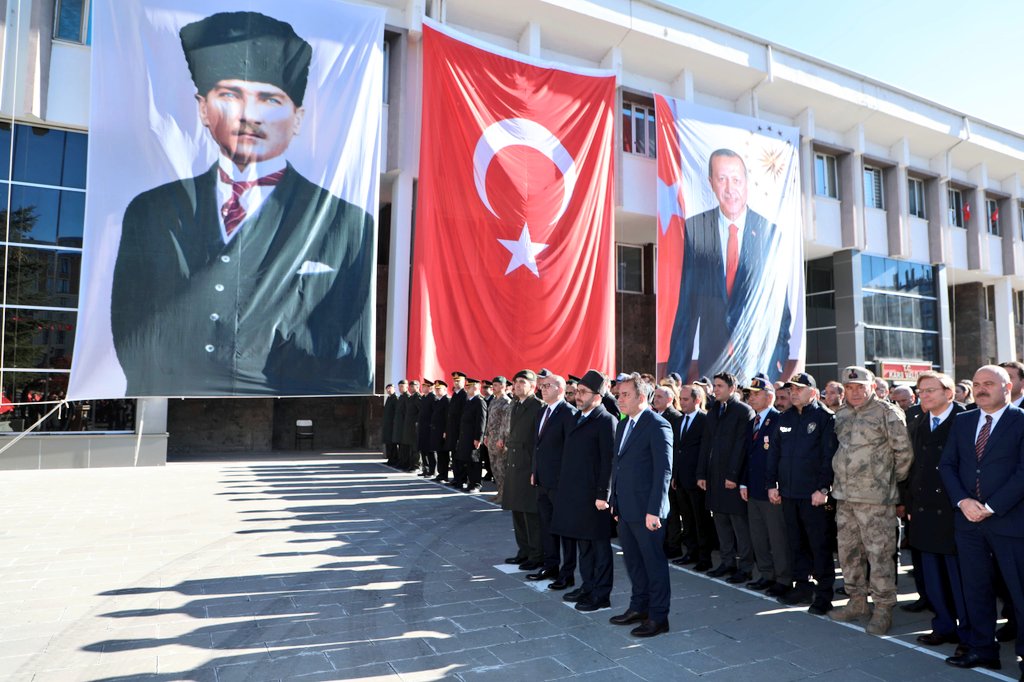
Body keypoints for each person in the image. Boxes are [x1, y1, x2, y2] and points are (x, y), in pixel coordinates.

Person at [111, 11, 373, 397]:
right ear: (203, 108)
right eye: (230, 95)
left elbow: (350, 341)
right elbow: (130, 329)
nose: (249, 116)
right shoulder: (150, 211)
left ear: (297, 118)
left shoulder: (347, 223)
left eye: (270, 98)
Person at [666, 148, 796, 382]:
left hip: (756, 365)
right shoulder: (697, 229)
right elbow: (687, 308)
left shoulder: (769, 233)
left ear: (746, 183)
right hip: (711, 367)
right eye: (722, 179)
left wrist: (777, 364)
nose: (730, 188)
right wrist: (675, 376)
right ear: (711, 182)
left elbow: (780, 310)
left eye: (736, 180)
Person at [939, 365, 1024, 676]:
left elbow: (1022, 473)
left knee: (1019, 592)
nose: (981, 388)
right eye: (976, 383)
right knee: (975, 588)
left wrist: (990, 505)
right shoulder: (962, 422)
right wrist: (963, 501)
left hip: (1011, 523)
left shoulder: (1021, 421)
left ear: (1008, 386)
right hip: (968, 522)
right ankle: (982, 650)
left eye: (989, 383)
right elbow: (947, 465)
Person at [829, 366, 912, 636]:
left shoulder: (888, 413)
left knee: (880, 555)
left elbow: (904, 455)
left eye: (860, 387)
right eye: (850, 387)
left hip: (876, 499)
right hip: (845, 497)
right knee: (849, 553)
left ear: (872, 387)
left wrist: (883, 481)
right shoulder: (841, 414)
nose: (855, 392)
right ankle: (856, 602)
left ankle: (883, 608)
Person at [905, 371, 969, 651]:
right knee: (932, 576)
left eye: (930, 390)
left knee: (961, 579)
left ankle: (968, 634)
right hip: (923, 510)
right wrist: (906, 502)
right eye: (921, 391)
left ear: (949, 393)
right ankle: (943, 625)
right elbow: (912, 466)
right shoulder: (918, 421)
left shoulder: (966, 420)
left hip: (954, 509)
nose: (924, 395)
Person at [766, 372, 838, 612]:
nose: (793, 392)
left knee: (819, 545)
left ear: (814, 393)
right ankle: (803, 588)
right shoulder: (784, 418)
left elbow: (829, 457)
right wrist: (771, 484)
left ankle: (824, 595)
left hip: (813, 496)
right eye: (792, 389)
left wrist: (823, 488)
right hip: (788, 493)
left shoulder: (825, 418)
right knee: (795, 543)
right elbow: (774, 454)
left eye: (799, 389)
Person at [608, 373, 673, 637]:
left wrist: (654, 510)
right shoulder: (624, 424)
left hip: (647, 511)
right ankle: (639, 607)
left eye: (625, 395)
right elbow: (618, 465)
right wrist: (615, 501)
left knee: (653, 564)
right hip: (626, 508)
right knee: (634, 563)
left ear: (641, 397)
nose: (619, 399)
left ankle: (659, 617)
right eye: (618, 394)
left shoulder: (657, 425)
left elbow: (663, 471)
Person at [552, 370, 617, 612]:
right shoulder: (578, 417)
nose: (577, 396)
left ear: (598, 395)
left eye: (582, 392)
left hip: (594, 498)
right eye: (577, 391)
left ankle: (601, 594)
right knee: (584, 546)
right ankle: (588, 586)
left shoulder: (606, 420)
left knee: (599, 549)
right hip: (576, 496)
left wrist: (604, 494)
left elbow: (609, 461)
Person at [699, 372, 756, 584]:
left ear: (732, 389)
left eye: (720, 386)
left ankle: (746, 567)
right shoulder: (714, 410)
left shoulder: (743, 411)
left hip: (731, 477)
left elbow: (741, 446)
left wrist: (733, 475)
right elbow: (706, 443)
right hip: (714, 477)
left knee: (739, 525)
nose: (715, 389)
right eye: (714, 385)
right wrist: (701, 473)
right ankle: (727, 562)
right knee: (721, 520)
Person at [740, 378, 790, 595]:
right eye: (749, 394)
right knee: (758, 535)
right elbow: (748, 455)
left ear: (769, 396)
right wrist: (743, 482)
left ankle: (783, 578)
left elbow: (780, 458)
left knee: (776, 536)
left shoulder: (778, 419)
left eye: (755, 394)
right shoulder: (753, 421)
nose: (751, 397)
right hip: (753, 488)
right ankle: (766, 574)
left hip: (771, 490)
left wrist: (776, 485)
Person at [529, 374, 578, 588]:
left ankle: (567, 573)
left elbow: (571, 451)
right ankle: (551, 565)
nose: (542, 389)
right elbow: (537, 446)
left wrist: (566, 479)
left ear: (560, 388)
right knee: (547, 526)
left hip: (560, 482)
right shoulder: (542, 411)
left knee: (564, 528)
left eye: (547, 386)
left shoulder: (569, 413)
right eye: (541, 386)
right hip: (542, 480)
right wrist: (534, 471)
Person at [503, 369, 545, 570]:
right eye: (515, 381)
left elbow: (540, 442)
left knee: (531, 514)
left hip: (528, 466)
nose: (517, 385)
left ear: (533, 386)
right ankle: (524, 551)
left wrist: (535, 469)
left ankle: (537, 555)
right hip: (514, 464)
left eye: (522, 382)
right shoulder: (516, 405)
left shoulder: (539, 407)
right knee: (517, 510)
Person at [671, 384, 714, 571]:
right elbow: (676, 449)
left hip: (697, 480)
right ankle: (691, 552)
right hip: (681, 478)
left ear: (697, 400)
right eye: (680, 399)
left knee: (700, 519)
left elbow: (705, 451)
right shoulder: (680, 421)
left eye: (686, 399)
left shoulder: (705, 420)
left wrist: (701, 474)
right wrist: (674, 474)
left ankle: (705, 557)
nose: (682, 402)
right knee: (687, 518)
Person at [652, 385, 684, 560]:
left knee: (671, 512)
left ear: (670, 400)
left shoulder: (675, 418)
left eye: (659, 397)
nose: (655, 399)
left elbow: (675, 448)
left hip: (669, 472)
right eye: (655, 396)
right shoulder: (656, 415)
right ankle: (664, 542)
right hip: (657, 470)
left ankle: (673, 545)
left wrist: (673, 474)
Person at [452, 378, 487, 493]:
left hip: (473, 437)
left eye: (469, 387)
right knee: (467, 460)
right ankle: (469, 482)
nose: (466, 389)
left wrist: (478, 438)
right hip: (465, 436)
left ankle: (476, 484)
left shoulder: (479, 401)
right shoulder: (469, 401)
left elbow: (481, 421)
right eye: (467, 387)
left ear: (476, 387)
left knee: (474, 461)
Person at [484, 376, 513, 503]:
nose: (493, 387)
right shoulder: (494, 400)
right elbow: (489, 420)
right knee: (494, 467)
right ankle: (499, 492)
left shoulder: (506, 402)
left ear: (502, 386)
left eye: (495, 385)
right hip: (491, 439)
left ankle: (505, 495)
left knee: (502, 468)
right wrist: (486, 435)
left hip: (500, 441)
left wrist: (502, 439)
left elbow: (505, 423)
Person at [438, 372, 467, 483]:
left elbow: (462, 415)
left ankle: (461, 479)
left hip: (459, 431)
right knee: (454, 455)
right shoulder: (455, 394)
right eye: (454, 380)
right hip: (452, 431)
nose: (456, 382)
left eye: (458, 380)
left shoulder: (464, 395)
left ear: (464, 382)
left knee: (460, 456)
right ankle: (456, 477)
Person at [425, 380, 449, 478]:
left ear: (445, 389)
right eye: (436, 389)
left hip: (442, 431)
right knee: (439, 452)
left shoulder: (446, 400)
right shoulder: (438, 400)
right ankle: (440, 473)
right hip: (436, 431)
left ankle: (444, 474)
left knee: (443, 454)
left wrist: (445, 431)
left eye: (439, 389)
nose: (437, 391)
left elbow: (447, 418)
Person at [382, 383, 399, 465]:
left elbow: (396, 412)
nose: (389, 390)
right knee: (388, 442)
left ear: (394, 389)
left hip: (392, 425)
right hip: (387, 425)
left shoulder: (395, 398)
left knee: (392, 443)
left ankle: (394, 459)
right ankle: (390, 459)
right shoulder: (389, 398)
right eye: (387, 388)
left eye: (390, 388)